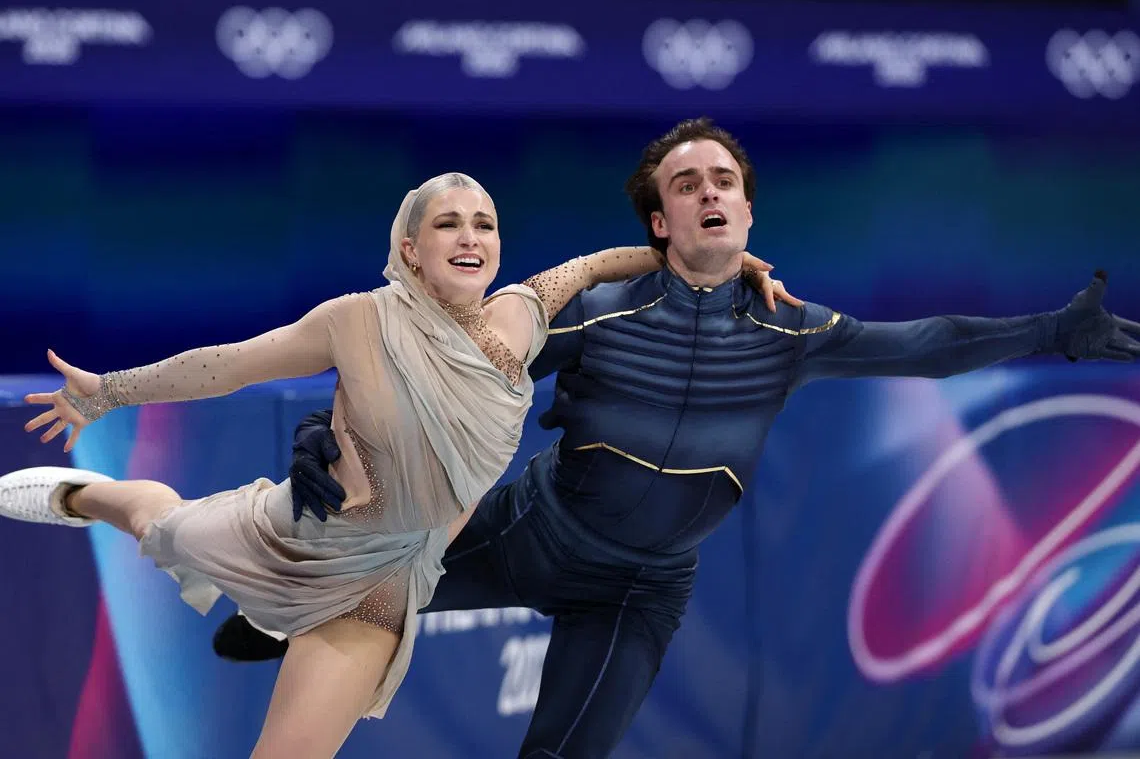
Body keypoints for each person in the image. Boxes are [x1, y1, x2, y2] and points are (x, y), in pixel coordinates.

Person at [216, 118, 1140, 759]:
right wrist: (314, 433)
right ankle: (281, 607)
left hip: (643, 588)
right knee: (338, 594)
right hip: (529, 537)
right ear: (659, 223)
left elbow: (928, 345)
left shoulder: (794, 333)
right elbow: (420, 382)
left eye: (724, 182)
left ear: (745, 215)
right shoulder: (596, 317)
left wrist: (1054, 332)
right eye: (685, 183)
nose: (708, 193)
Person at [0, 171, 784, 759]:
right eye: (448, 224)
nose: (471, 236)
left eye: (485, 222)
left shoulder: (519, 316)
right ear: (411, 248)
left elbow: (591, 267)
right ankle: (87, 496)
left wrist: (714, 262)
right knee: (157, 525)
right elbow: (228, 366)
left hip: (380, 585)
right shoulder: (356, 320)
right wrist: (107, 391)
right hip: (296, 537)